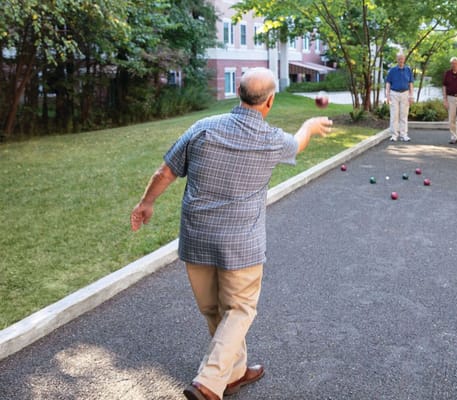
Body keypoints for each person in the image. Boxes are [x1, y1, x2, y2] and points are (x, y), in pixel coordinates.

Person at [130, 67, 333, 400]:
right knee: (238, 311)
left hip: (196, 239)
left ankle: (234, 372)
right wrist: (309, 126)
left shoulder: (203, 128)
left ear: (239, 94)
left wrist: (146, 203)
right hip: (241, 246)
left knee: (215, 312)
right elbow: (298, 144)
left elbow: (164, 171)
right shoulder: (271, 140)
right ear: (269, 101)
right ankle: (209, 382)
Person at [385, 52, 414, 142]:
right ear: (397, 59)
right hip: (394, 94)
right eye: (399, 58)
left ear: (404, 59)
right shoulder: (392, 70)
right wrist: (387, 95)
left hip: (405, 93)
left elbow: (411, 83)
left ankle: (404, 135)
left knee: (404, 115)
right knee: (394, 115)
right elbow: (388, 83)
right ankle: (394, 135)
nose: (401, 60)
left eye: (402, 58)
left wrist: (411, 95)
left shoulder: (408, 70)